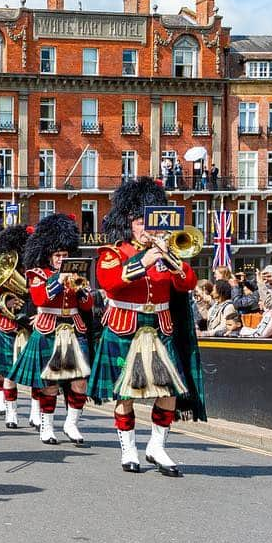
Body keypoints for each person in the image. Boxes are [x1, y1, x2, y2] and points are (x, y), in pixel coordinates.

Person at [89, 177, 205, 477]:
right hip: (124, 327)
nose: (145, 228)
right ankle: (128, 448)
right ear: (129, 223)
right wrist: (145, 259)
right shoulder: (113, 253)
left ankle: (156, 445)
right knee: (124, 394)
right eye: (140, 221)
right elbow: (110, 283)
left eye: (148, 221)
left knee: (170, 390)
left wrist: (171, 260)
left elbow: (188, 283)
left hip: (160, 327)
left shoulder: (169, 252)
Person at [8, 214, 93, 446]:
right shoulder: (37, 274)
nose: (62, 259)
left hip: (74, 328)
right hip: (49, 328)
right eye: (58, 255)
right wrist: (59, 279)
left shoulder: (77, 273)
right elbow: (40, 297)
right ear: (49, 255)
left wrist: (83, 290)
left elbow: (87, 306)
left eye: (65, 255)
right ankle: (47, 425)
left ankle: (72, 423)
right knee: (50, 384)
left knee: (81, 381)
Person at [0, 224, 31, 429]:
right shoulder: (5, 272)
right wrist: (7, 303)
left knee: (34, 376)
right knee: (9, 373)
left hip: (28, 328)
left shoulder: (32, 270)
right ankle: (11, 412)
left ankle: (36, 414)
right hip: (9, 328)